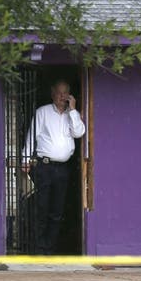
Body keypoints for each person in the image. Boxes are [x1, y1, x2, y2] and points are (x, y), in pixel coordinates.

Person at [22, 79, 86, 255]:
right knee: (41, 208)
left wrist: (73, 110)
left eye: (65, 93)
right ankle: (38, 248)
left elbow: (79, 132)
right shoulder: (42, 112)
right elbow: (31, 137)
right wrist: (25, 160)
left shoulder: (72, 115)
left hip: (63, 169)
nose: (62, 96)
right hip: (44, 167)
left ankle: (49, 248)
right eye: (59, 92)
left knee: (57, 211)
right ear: (52, 93)